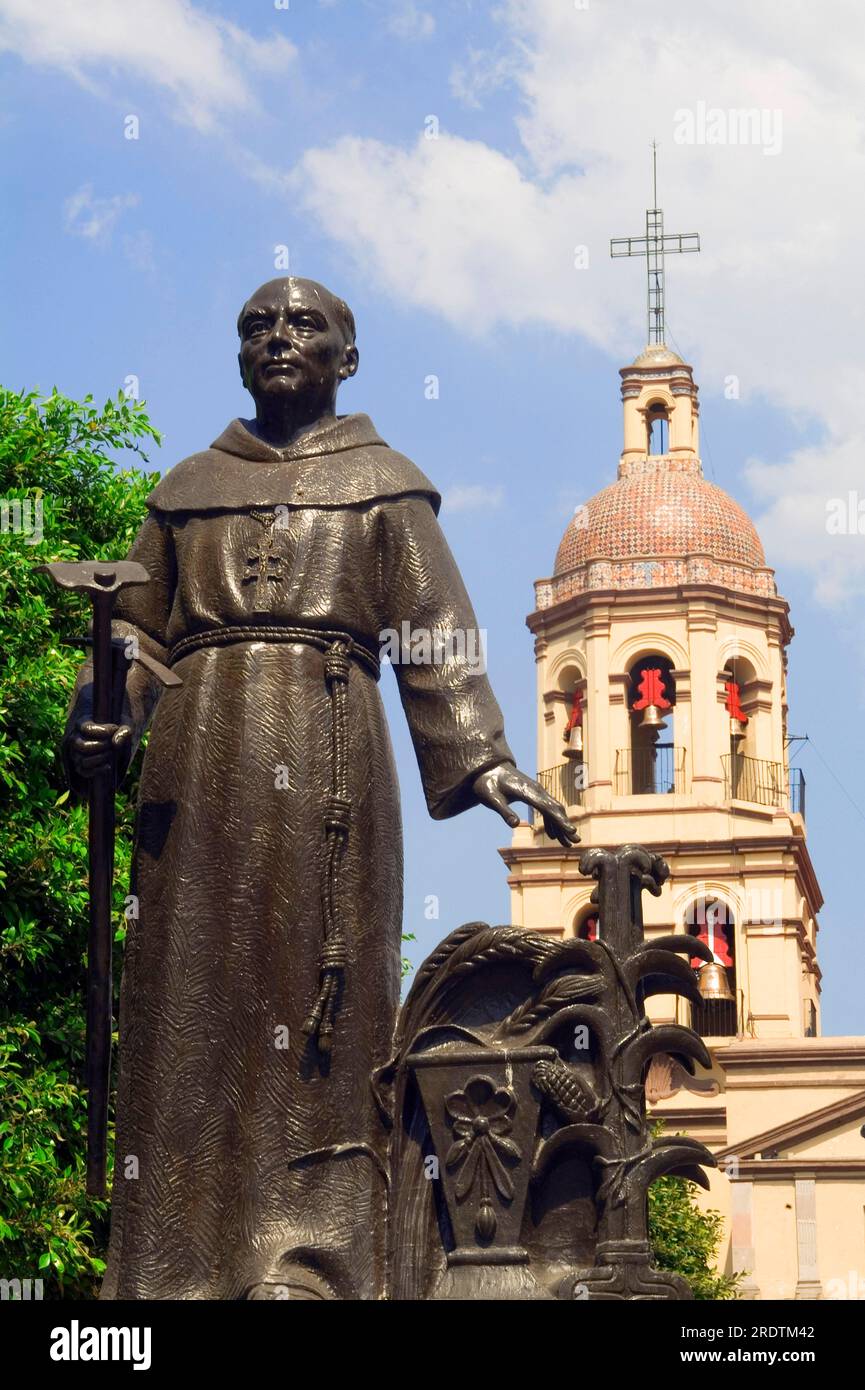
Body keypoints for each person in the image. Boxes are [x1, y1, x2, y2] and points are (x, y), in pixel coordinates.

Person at [64, 277, 577, 1300]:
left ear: (348, 356)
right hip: (195, 773)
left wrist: (481, 756)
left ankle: (307, 1267)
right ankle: (170, 1271)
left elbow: (431, 634)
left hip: (327, 760)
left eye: (304, 324)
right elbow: (132, 628)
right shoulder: (186, 487)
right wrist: (102, 707)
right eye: (257, 325)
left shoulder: (384, 483)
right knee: (185, 1004)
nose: (277, 338)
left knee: (320, 1006)